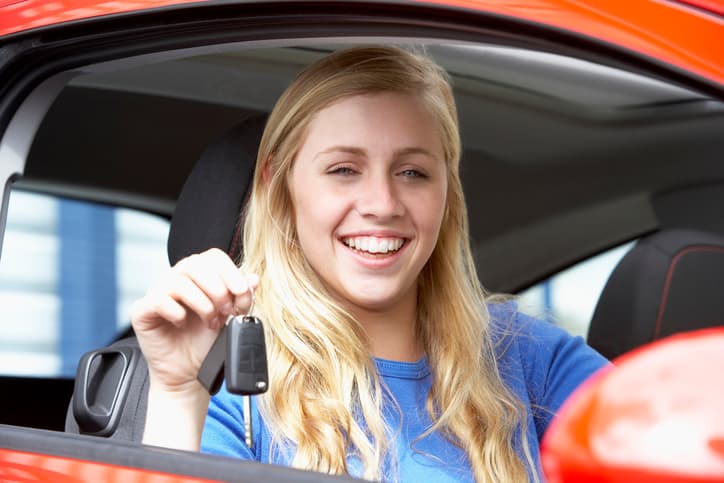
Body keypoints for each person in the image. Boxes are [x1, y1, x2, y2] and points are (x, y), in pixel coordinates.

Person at [131, 45, 609, 482]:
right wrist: (177, 393)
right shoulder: (241, 395)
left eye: (412, 172)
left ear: (448, 193)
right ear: (280, 184)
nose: (382, 203)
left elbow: (663, 434)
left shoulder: (527, 359)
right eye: (344, 170)